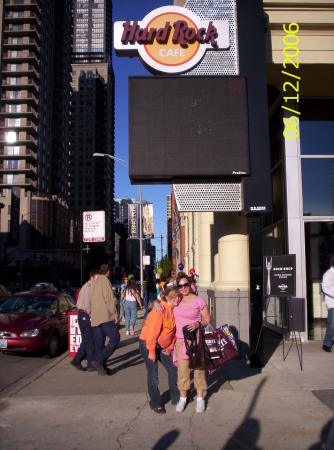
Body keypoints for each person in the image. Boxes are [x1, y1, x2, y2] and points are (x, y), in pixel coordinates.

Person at [139, 286, 180, 413]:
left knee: (173, 369)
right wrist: (151, 351)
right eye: (175, 296)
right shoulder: (160, 310)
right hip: (148, 343)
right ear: (168, 297)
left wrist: (170, 347)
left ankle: (176, 397)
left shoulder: (174, 310)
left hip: (162, 346)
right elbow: (152, 333)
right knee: (153, 374)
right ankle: (155, 402)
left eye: (178, 296)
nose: (177, 299)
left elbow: (174, 332)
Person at [174, 272, 211, 413]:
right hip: (181, 341)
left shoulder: (198, 300)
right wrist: (156, 303)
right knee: (182, 371)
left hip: (196, 341)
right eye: (180, 286)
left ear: (190, 284)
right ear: (177, 287)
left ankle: (200, 399)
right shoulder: (175, 300)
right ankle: (183, 399)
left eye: (186, 285)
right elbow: (162, 301)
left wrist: (197, 324)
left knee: (199, 370)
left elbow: (207, 319)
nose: (183, 288)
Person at [91, 264, 120, 375]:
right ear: (108, 271)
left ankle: (102, 369)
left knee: (99, 344)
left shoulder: (94, 282)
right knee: (115, 338)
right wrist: (115, 314)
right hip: (105, 316)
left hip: (95, 317)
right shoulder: (105, 281)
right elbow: (109, 299)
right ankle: (98, 361)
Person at [71, 269, 100, 371]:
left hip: (82, 315)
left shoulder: (87, 286)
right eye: (97, 278)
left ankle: (76, 360)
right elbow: (88, 305)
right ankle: (90, 364)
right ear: (92, 277)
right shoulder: (88, 288)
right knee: (90, 341)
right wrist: (92, 317)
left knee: (85, 341)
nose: (98, 281)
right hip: (85, 315)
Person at [321, 257, 334, 352]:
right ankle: (327, 344)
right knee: (332, 324)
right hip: (333, 303)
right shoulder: (328, 274)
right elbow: (325, 288)